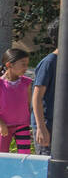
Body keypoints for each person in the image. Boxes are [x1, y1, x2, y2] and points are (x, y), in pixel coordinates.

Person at [0, 49, 33, 154]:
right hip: (4, 127)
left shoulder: (27, 83)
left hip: (22, 125)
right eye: (23, 64)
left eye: (27, 64)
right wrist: (1, 124)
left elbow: (29, 105)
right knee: (2, 156)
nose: (26, 68)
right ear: (9, 65)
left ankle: (22, 171)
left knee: (25, 156)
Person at [33, 18, 59, 155]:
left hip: (62, 125)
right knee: (48, 168)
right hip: (48, 124)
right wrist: (41, 128)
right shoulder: (49, 63)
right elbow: (37, 97)